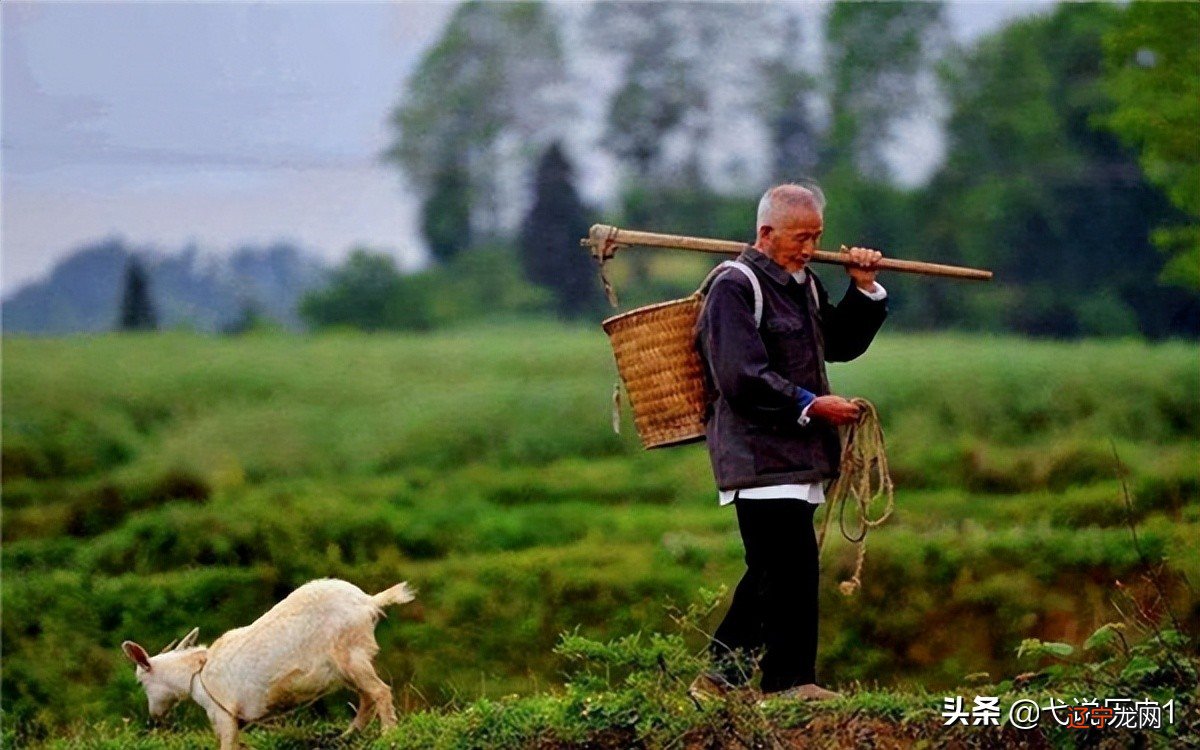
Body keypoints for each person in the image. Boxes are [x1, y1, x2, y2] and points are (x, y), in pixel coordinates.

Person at [692, 182, 887, 701]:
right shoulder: (735, 287)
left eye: (816, 237)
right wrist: (811, 403)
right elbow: (740, 376)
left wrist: (863, 289)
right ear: (766, 232)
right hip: (757, 455)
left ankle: (724, 679)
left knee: (776, 572)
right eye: (800, 238)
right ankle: (786, 683)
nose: (808, 248)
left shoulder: (804, 282)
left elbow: (839, 345)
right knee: (786, 568)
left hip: (799, 456)